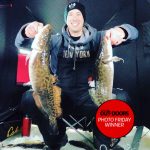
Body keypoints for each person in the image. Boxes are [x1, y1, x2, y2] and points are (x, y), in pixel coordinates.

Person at [15, 2, 138, 150]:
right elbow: (19, 42)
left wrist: (121, 31)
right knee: (28, 98)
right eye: (71, 14)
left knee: (122, 98)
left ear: (84, 18)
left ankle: (102, 138)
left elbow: (134, 33)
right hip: (60, 98)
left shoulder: (99, 38)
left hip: (89, 98)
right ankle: (56, 138)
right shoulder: (54, 40)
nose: (75, 17)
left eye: (78, 14)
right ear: (66, 19)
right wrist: (27, 30)